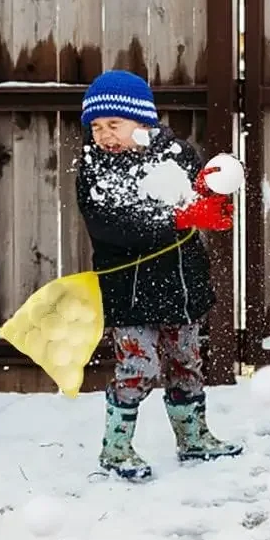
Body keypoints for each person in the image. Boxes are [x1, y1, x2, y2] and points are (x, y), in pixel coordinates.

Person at [75, 69, 242, 482]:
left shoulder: (179, 155)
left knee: (187, 361)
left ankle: (194, 437)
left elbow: (197, 195)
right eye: (96, 126)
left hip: (180, 284)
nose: (104, 135)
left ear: (143, 121)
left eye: (114, 124)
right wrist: (178, 217)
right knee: (138, 366)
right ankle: (116, 447)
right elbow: (113, 224)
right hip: (130, 290)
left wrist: (212, 201)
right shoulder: (95, 171)